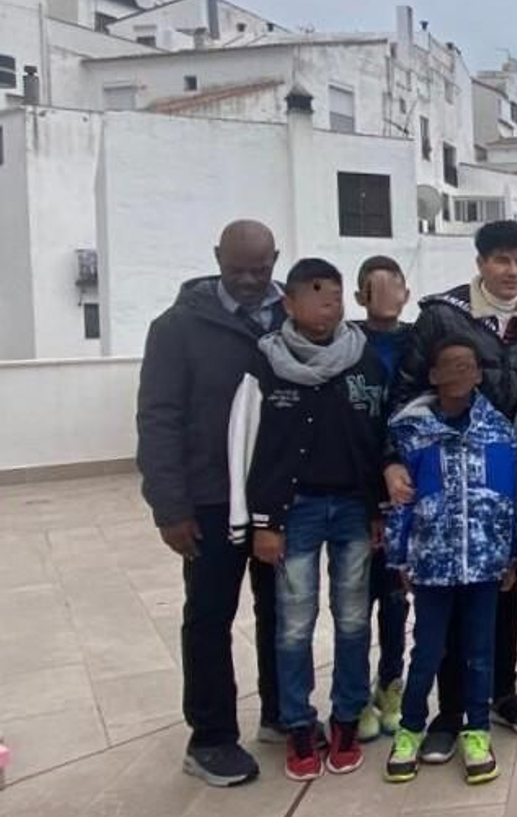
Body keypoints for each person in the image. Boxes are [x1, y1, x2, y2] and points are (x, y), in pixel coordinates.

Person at [389, 221, 517, 761]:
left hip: (503, 479)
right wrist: (393, 460)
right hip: (444, 476)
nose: (513, 272)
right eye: (502, 260)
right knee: (444, 605)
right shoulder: (442, 316)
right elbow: (406, 393)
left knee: (501, 588)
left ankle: (499, 694)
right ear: (480, 262)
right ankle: (449, 711)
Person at [137, 218, 286, 787]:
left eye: (260, 268)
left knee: (281, 612)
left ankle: (281, 711)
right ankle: (211, 737)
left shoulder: (292, 317)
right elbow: (158, 418)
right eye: (236, 269)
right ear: (216, 258)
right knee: (208, 617)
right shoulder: (178, 328)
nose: (249, 280)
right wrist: (168, 506)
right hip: (208, 500)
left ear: (277, 258)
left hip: (275, 499)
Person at [227, 258, 389, 781]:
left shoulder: (362, 361)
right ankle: (298, 723)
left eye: (337, 294)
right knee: (294, 624)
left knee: (352, 618)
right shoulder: (266, 365)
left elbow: (378, 440)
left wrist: (378, 511)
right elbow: (247, 447)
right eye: (317, 294)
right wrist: (259, 521)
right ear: (289, 304)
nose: (329, 303)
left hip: (351, 511)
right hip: (292, 514)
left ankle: (346, 717)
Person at [384, 336, 517, 785]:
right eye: (451, 367)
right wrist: (399, 555)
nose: (461, 374)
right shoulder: (412, 431)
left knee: (480, 653)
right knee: (427, 650)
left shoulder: (499, 430)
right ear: (434, 376)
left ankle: (476, 730)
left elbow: (508, 499)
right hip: (431, 565)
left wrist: (511, 556)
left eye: (469, 366)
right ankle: (409, 729)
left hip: (484, 564)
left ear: (480, 374)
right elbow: (401, 501)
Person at [353, 255, 415, 743]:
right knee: (354, 601)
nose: (387, 295)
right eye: (375, 288)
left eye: (395, 286)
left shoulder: (417, 343)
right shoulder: (348, 346)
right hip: (359, 488)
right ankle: (353, 698)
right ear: (360, 297)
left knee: (396, 599)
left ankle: (391, 685)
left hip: (404, 491)